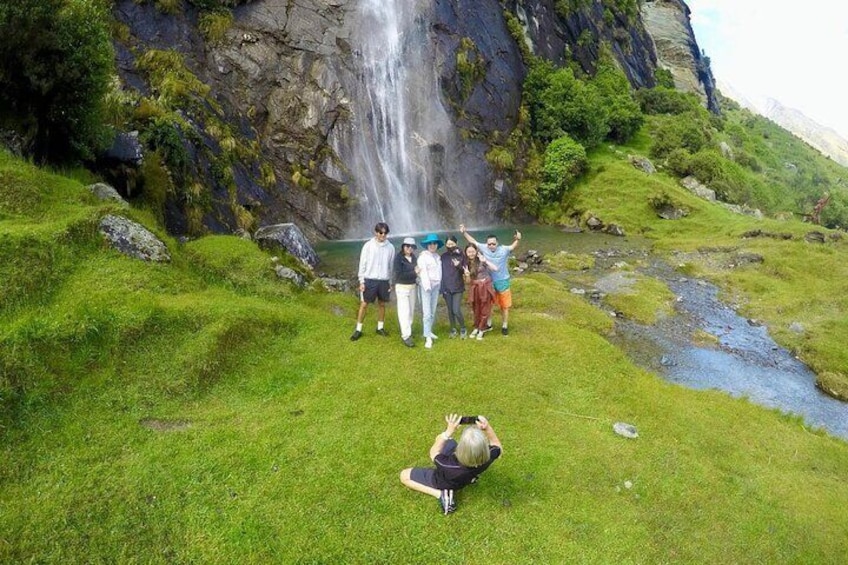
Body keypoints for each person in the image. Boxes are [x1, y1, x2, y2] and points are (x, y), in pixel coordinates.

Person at [400, 414, 502, 516]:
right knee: (442, 439)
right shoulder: (489, 455)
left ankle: (441, 494)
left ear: (462, 448)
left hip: (444, 481)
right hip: (468, 475)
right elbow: (497, 446)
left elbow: (433, 453)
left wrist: (448, 432)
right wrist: (487, 428)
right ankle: (471, 479)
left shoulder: (448, 465)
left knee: (404, 476)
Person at [459, 225, 522, 335]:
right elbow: (473, 241)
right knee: (488, 304)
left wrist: (518, 239)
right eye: (489, 244)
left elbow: (513, 246)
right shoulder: (483, 248)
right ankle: (488, 324)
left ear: (497, 243)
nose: (491, 246)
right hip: (489, 281)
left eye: (493, 243)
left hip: (502, 280)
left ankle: (505, 325)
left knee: (504, 305)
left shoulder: (504, 249)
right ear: (486, 244)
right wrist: (464, 232)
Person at [351, 222, 395, 341]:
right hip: (369, 279)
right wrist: (361, 281)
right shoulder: (368, 246)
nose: (383, 235)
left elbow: (391, 266)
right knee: (364, 304)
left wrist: (390, 282)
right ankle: (358, 329)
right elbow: (362, 264)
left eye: (385, 233)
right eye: (380, 232)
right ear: (376, 232)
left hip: (384, 280)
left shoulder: (391, 247)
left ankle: (380, 328)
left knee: (381, 304)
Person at [463, 244, 498, 341]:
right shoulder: (466, 264)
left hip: (485, 287)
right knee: (475, 308)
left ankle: (482, 329)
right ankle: (476, 327)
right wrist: (467, 275)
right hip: (474, 288)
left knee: (484, 309)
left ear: (476, 251)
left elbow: (495, 268)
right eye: (469, 252)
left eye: (473, 251)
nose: (471, 253)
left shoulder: (482, 260)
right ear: (466, 253)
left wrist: (485, 261)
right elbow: (468, 282)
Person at [416, 233, 443, 349]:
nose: (432, 245)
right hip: (427, 287)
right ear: (427, 245)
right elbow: (423, 273)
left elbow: (439, 273)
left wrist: (439, 285)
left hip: (436, 287)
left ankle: (429, 331)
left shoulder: (438, 257)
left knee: (432, 311)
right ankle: (427, 337)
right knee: (426, 313)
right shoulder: (423, 257)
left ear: (437, 245)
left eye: (434, 243)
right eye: (430, 243)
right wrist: (427, 287)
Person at [393, 237, 419, 348]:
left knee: (411, 310)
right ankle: (406, 336)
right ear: (403, 246)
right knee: (404, 311)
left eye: (412, 246)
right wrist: (414, 273)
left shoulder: (414, 258)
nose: (409, 248)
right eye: (407, 246)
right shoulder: (398, 258)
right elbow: (399, 275)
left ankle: (408, 330)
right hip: (402, 287)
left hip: (412, 286)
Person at [440, 235, 467, 339]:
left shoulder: (461, 256)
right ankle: (453, 329)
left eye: (452, 244)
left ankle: (463, 328)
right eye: (448, 244)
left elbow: (465, 271)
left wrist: (458, 266)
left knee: (456, 310)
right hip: (446, 287)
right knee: (450, 310)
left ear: (456, 244)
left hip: (457, 287)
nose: (450, 246)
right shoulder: (443, 257)